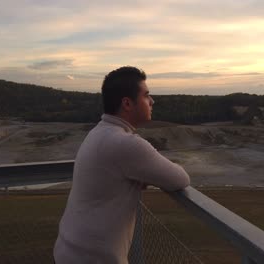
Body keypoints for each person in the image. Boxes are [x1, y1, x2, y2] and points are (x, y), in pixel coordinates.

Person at [53, 66, 190, 264]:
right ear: (127, 103)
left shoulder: (99, 133)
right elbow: (180, 179)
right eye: (146, 95)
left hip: (71, 251)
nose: (152, 101)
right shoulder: (125, 144)